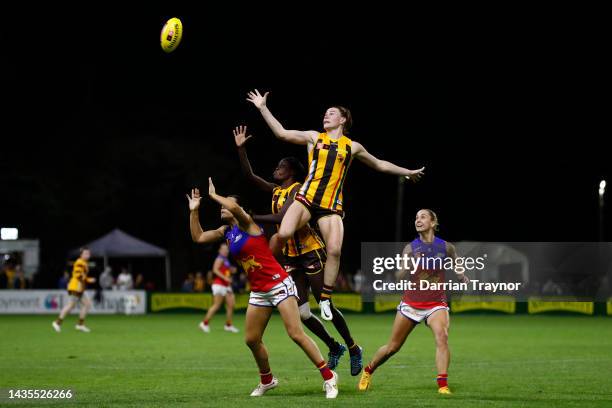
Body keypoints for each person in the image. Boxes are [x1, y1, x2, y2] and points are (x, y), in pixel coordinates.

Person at [247, 89, 425, 321]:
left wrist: (408, 171)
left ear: (343, 120)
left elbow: (380, 164)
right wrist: (262, 108)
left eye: (331, 113)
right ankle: (270, 274)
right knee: (286, 232)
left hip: (331, 205)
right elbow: (281, 133)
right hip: (307, 198)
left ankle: (326, 299)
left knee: (334, 250)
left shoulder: (352, 147)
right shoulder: (314, 137)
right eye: (325, 113)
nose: (326, 116)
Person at [187, 180, 338, 398]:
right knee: (251, 339)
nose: (222, 207)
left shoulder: (249, 225)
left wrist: (215, 195)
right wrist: (194, 211)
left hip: (279, 284)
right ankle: (267, 380)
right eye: (221, 205)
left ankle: (329, 377)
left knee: (295, 334)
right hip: (259, 291)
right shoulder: (226, 232)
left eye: (225, 204)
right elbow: (198, 237)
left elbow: (237, 209)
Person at [234, 125, 362, 375]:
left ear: (292, 171)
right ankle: (334, 346)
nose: (276, 169)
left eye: (282, 166)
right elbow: (250, 176)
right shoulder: (276, 190)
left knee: (327, 307)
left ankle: (354, 347)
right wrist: (241, 149)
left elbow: (282, 217)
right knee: (303, 314)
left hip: (310, 251)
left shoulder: (299, 191)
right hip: (291, 257)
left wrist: (252, 217)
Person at [358, 210, 469, 394]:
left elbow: (456, 261)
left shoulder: (446, 247)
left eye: (423, 217)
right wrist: (406, 268)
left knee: (442, 337)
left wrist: (460, 274)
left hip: (436, 303)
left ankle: (443, 385)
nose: (418, 220)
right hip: (411, 305)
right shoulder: (410, 248)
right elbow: (399, 274)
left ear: (433, 223)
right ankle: (368, 370)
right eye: (416, 217)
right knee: (392, 348)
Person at [52, 248, 96, 333]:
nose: (88, 255)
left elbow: (81, 276)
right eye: (86, 253)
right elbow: (78, 275)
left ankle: (80, 324)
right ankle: (57, 323)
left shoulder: (83, 263)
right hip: (76, 287)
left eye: (88, 253)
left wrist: (86, 280)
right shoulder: (79, 262)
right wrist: (89, 280)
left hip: (80, 288)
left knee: (87, 304)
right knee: (71, 305)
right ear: (81, 255)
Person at [198, 243, 239, 333]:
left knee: (231, 305)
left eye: (226, 249)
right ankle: (204, 323)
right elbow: (215, 269)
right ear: (220, 250)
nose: (226, 250)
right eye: (224, 249)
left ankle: (228, 325)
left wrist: (231, 269)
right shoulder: (219, 258)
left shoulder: (225, 259)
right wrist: (225, 278)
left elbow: (224, 270)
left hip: (226, 285)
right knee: (216, 305)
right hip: (219, 284)